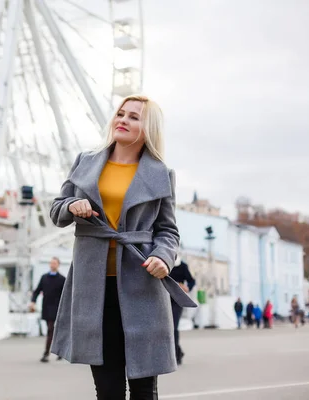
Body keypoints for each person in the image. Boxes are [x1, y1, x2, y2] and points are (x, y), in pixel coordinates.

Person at [49, 94, 197, 399]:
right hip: (93, 290)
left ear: (148, 129)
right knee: (107, 389)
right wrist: (72, 205)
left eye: (133, 117)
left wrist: (163, 257)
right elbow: (56, 210)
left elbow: (167, 231)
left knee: (144, 388)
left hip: (142, 287)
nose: (123, 120)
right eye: (121, 113)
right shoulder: (85, 163)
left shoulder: (161, 175)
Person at [30, 256, 67, 363]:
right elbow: (36, 291)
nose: (52, 265)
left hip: (58, 308)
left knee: (51, 330)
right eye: (51, 263)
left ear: (58, 265)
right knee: (52, 330)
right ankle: (59, 351)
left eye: (54, 263)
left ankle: (46, 353)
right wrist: (33, 301)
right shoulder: (44, 277)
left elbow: (66, 295)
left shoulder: (62, 279)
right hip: (46, 307)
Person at [169, 254, 195, 365]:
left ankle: (175, 356)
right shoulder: (163, 262)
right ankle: (179, 352)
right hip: (164, 299)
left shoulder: (182, 266)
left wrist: (186, 287)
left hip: (177, 300)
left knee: (173, 327)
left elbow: (191, 281)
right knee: (167, 328)